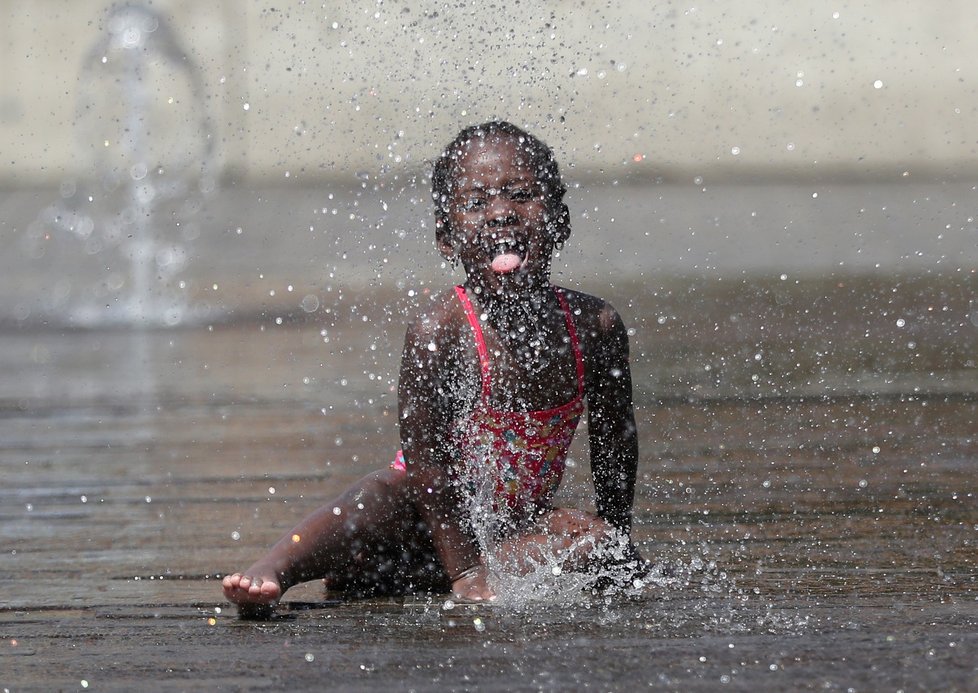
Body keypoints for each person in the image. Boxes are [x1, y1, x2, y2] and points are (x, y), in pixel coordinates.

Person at [222, 121, 643, 616]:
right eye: (476, 202)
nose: (501, 213)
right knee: (382, 490)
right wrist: (466, 574)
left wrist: (616, 538)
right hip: (422, 511)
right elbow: (429, 464)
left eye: (521, 195)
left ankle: (405, 570)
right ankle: (277, 568)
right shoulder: (439, 331)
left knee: (596, 545)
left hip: (510, 526)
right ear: (447, 239)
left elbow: (616, 440)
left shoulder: (594, 325)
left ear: (560, 221)